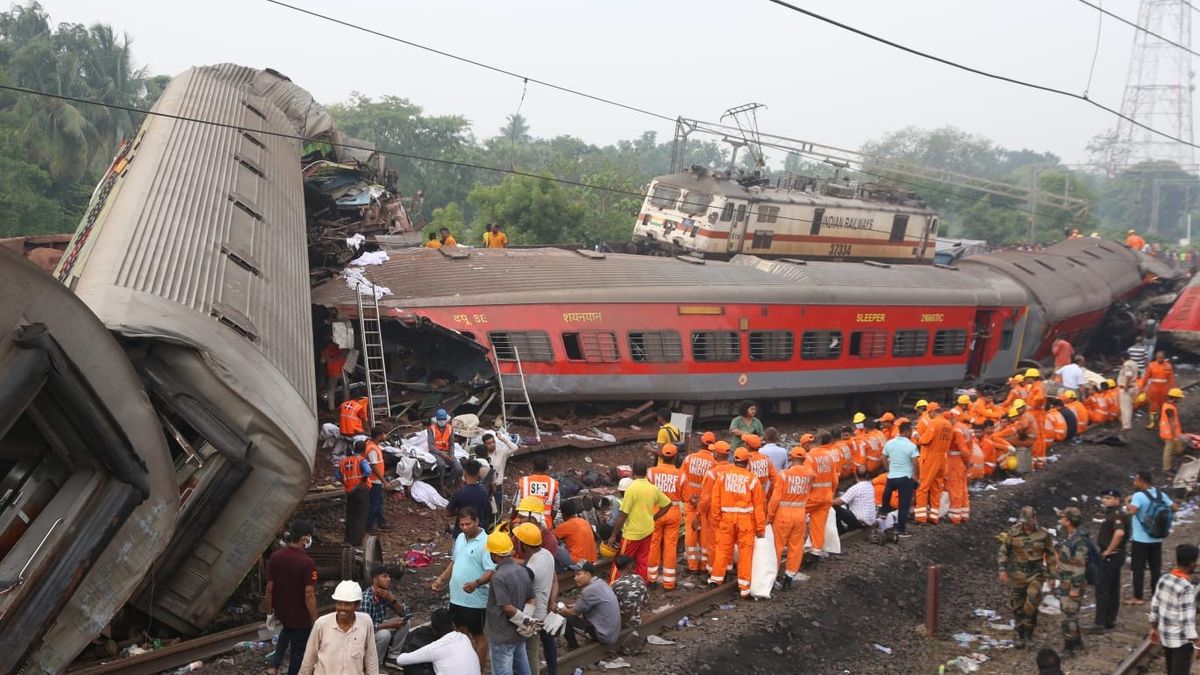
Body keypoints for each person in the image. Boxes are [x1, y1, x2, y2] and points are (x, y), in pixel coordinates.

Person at [431, 508, 494, 666]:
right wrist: (442, 578)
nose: (465, 528)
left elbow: (491, 571)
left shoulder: (486, 542)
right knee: (460, 633)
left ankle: (478, 668)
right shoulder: (460, 537)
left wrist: (476, 583)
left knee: (479, 635)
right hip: (457, 597)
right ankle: (465, 665)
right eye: (462, 524)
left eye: (469, 524)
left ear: (477, 521)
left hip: (475, 601)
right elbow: (455, 561)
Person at [707, 447, 766, 597]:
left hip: (727, 518)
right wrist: (760, 529)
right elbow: (759, 506)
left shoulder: (723, 476)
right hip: (745, 520)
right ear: (747, 462)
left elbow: (716, 500)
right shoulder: (752, 479)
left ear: (734, 460)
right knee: (745, 552)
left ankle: (716, 579)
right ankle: (744, 587)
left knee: (722, 548)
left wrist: (717, 518)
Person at [998, 506, 1057, 649]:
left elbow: (1050, 555)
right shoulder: (1013, 533)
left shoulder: (1043, 534)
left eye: (1029, 522)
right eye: (1024, 522)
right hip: (1017, 575)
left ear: (1035, 519)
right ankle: (1020, 634)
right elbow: (1004, 552)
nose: (1026, 525)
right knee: (1017, 606)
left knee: (1031, 603)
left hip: (1035, 574)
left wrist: (1051, 576)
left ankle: (1029, 634)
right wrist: (1002, 569)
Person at [266, 521, 318, 675]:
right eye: (309, 537)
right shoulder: (308, 563)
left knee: (286, 631)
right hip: (301, 617)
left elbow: (269, 588)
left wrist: (269, 612)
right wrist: (315, 619)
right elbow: (309, 593)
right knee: (298, 652)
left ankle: (274, 666)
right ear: (304, 539)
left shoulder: (275, 557)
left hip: (283, 612)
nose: (309, 540)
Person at [297, 581, 379, 675]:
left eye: (348, 604)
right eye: (339, 603)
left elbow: (371, 657)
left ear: (357, 605)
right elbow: (309, 659)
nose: (342, 608)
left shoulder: (365, 622)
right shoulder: (322, 624)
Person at [606, 461, 670, 581]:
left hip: (632, 534)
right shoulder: (652, 488)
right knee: (642, 562)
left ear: (633, 472)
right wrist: (654, 518)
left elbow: (622, 514)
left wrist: (613, 535)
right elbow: (667, 504)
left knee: (620, 561)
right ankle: (641, 587)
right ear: (646, 471)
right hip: (647, 531)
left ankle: (613, 586)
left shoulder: (631, 489)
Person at [483, 530, 535, 675]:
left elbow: (506, 607)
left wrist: (524, 622)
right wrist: (526, 621)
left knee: (502, 670)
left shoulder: (498, 577)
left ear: (494, 555)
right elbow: (532, 598)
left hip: (502, 634)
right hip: (518, 634)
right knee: (522, 668)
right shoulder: (522, 570)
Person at [513, 523, 557, 675]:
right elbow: (553, 580)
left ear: (524, 545)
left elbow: (524, 596)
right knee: (539, 647)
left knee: (529, 653)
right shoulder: (546, 554)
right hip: (543, 610)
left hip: (533, 615)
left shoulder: (530, 569)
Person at [1149, 543, 1200, 675]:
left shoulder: (1164, 578)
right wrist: (1196, 642)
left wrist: (1153, 627)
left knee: (1171, 670)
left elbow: (1155, 604)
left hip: (1166, 637)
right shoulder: (1187, 588)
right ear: (1192, 564)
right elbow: (1187, 620)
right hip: (1181, 641)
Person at [769, 446, 815, 588]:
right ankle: (789, 577)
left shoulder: (784, 475)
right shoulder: (810, 475)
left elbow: (775, 499)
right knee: (796, 547)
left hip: (783, 514)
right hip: (800, 514)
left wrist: (769, 516)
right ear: (804, 459)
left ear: (791, 458)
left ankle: (773, 577)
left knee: (777, 547)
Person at [1127, 470, 1173, 605]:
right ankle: (1155, 595)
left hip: (1140, 539)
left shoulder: (1138, 496)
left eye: (1135, 480)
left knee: (1138, 569)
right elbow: (1174, 507)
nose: (1134, 482)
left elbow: (1132, 511)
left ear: (1141, 481)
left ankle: (1138, 597)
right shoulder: (1160, 494)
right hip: (1157, 538)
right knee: (1155, 569)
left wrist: (1127, 502)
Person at [393, 607, 481, 675]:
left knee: (414, 665)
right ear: (453, 625)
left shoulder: (436, 648)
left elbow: (401, 660)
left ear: (434, 629)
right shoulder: (464, 638)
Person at [646, 443, 685, 590]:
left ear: (661, 456)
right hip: (673, 511)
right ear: (675, 457)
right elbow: (685, 496)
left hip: (655, 512)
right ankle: (669, 582)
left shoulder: (651, 472)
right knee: (670, 546)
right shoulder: (681, 475)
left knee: (653, 545)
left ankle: (651, 579)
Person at [1091, 488, 1129, 633]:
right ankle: (1109, 620)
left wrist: (1107, 551)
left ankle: (1100, 623)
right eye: (1103, 498)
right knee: (1113, 588)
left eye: (1108, 498)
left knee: (1103, 588)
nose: (1104, 500)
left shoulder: (1117, 515)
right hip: (1116, 555)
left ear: (1117, 500)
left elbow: (1119, 533)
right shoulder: (1116, 514)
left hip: (1111, 556)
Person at [560, 563, 621, 650]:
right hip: (612, 632)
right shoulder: (600, 582)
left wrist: (564, 610)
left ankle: (573, 647)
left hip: (604, 635)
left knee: (564, 618)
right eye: (574, 575)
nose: (575, 578)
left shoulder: (589, 590)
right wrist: (575, 606)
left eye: (578, 574)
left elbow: (574, 612)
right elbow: (591, 603)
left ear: (588, 574)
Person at [1054, 507, 1090, 655]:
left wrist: (1075, 587)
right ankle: (1078, 641)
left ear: (1068, 521)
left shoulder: (1079, 540)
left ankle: (1069, 648)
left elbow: (1079, 566)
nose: (1060, 520)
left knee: (1068, 616)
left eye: (1062, 518)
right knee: (1070, 613)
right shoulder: (1070, 537)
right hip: (1066, 581)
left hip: (1072, 583)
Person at [360, 565, 409, 669]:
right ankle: (376, 665)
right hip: (366, 634)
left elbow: (403, 613)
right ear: (375, 579)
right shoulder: (366, 598)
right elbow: (365, 627)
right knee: (384, 634)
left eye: (389, 576)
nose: (389, 579)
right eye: (385, 576)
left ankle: (393, 657)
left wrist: (392, 600)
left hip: (379, 627)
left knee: (405, 622)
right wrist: (389, 625)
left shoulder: (386, 594)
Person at [681, 434, 717, 574]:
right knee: (705, 534)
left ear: (700, 443)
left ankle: (692, 565)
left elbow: (682, 480)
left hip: (691, 502)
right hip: (706, 504)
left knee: (691, 532)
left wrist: (691, 498)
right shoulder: (714, 462)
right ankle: (703, 564)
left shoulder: (689, 459)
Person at [697, 441, 732, 576]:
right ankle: (727, 570)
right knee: (727, 542)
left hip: (714, 513)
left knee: (713, 543)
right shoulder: (734, 470)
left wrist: (699, 515)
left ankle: (712, 572)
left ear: (717, 454)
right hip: (730, 513)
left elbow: (705, 499)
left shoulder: (712, 473)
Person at [915, 404, 952, 525]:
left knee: (923, 487)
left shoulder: (934, 423)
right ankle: (934, 517)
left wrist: (917, 437)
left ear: (931, 412)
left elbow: (925, 440)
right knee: (937, 488)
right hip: (942, 459)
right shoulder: (948, 424)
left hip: (931, 458)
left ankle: (921, 518)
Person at [880, 423, 919, 538]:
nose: (911, 433)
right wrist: (915, 475)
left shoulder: (890, 443)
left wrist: (888, 469)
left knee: (887, 491)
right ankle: (901, 530)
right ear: (907, 431)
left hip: (892, 476)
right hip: (905, 478)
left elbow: (883, 457)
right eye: (911, 431)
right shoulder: (911, 445)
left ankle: (883, 511)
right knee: (903, 506)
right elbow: (915, 462)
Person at [806, 433, 840, 557]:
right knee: (818, 525)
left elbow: (807, 477)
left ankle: (788, 546)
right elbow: (835, 480)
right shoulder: (828, 457)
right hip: (827, 496)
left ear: (809, 445)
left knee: (793, 514)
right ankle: (816, 551)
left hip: (813, 496)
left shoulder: (809, 458)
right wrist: (831, 493)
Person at [476, 432, 517, 523]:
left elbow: (514, 448)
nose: (492, 445)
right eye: (489, 443)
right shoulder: (482, 456)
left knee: (497, 511)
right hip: (483, 488)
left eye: (493, 442)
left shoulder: (501, 452)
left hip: (497, 487)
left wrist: (502, 438)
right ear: (484, 445)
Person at [338, 442, 372, 546]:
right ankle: (357, 542)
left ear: (354, 449)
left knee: (351, 516)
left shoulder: (344, 461)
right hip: (361, 491)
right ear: (364, 450)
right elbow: (368, 471)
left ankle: (348, 540)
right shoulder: (361, 460)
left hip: (350, 492)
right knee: (361, 516)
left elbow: (337, 475)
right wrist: (362, 482)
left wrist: (346, 483)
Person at [447, 460, 491, 536]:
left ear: (464, 473)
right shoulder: (484, 492)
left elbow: (448, 512)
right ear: (478, 473)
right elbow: (487, 510)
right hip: (479, 531)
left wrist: (459, 512)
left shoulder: (459, 494)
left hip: (461, 532)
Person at [514, 456, 560, 528]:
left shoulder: (524, 481)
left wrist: (512, 520)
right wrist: (550, 521)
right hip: (544, 524)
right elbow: (555, 508)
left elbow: (516, 505)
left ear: (533, 466)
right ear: (547, 468)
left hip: (523, 522)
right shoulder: (554, 483)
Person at [832, 467, 876, 534]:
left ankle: (840, 531)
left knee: (834, 507)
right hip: (871, 520)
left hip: (860, 522)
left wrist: (827, 502)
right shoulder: (870, 485)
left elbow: (840, 502)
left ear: (855, 475)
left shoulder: (856, 488)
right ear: (867, 475)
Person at [427, 409, 463, 490]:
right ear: (436, 419)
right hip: (436, 451)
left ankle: (447, 483)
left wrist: (451, 454)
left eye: (443, 419)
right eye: (440, 419)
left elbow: (451, 444)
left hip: (447, 451)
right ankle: (441, 484)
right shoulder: (431, 428)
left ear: (446, 419)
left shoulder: (450, 428)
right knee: (441, 465)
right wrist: (441, 454)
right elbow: (431, 446)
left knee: (459, 469)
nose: (442, 421)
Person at [364, 427, 390, 534]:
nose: (385, 436)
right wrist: (384, 481)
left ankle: (381, 522)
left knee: (379, 502)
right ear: (379, 436)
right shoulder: (372, 449)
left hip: (376, 481)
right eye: (383, 434)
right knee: (373, 505)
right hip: (373, 481)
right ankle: (369, 527)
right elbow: (374, 467)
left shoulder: (374, 446)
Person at [609, 555, 648, 627]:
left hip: (622, 622)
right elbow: (645, 601)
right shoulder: (639, 578)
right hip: (637, 618)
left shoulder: (615, 585)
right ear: (629, 566)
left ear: (617, 569)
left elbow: (609, 605)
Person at [1143, 351, 1176, 430]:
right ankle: (1152, 423)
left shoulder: (1168, 366)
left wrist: (1173, 391)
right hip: (1153, 389)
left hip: (1164, 389)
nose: (1160, 359)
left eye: (1161, 358)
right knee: (1153, 406)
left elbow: (1171, 379)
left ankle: (1161, 422)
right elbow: (1146, 378)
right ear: (1156, 357)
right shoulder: (1151, 365)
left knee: (1163, 406)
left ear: (1164, 358)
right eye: (1158, 357)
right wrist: (1142, 388)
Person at [1160, 388, 1186, 474]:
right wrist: (1175, 435)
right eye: (1179, 398)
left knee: (1172, 450)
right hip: (1169, 433)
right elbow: (1172, 423)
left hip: (1168, 432)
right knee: (1168, 451)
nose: (1180, 400)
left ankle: (1169, 465)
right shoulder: (1170, 409)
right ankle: (1166, 468)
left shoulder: (1167, 405)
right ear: (1175, 398)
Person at [321, 339, 349, 412]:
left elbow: (322, 362)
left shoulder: (325, 351)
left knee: (331, 391)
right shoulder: (341, 348)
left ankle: (332, 409)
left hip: (333, 372)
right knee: (346, 388)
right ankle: (346, 406)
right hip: (343, 370)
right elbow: (347, 358)